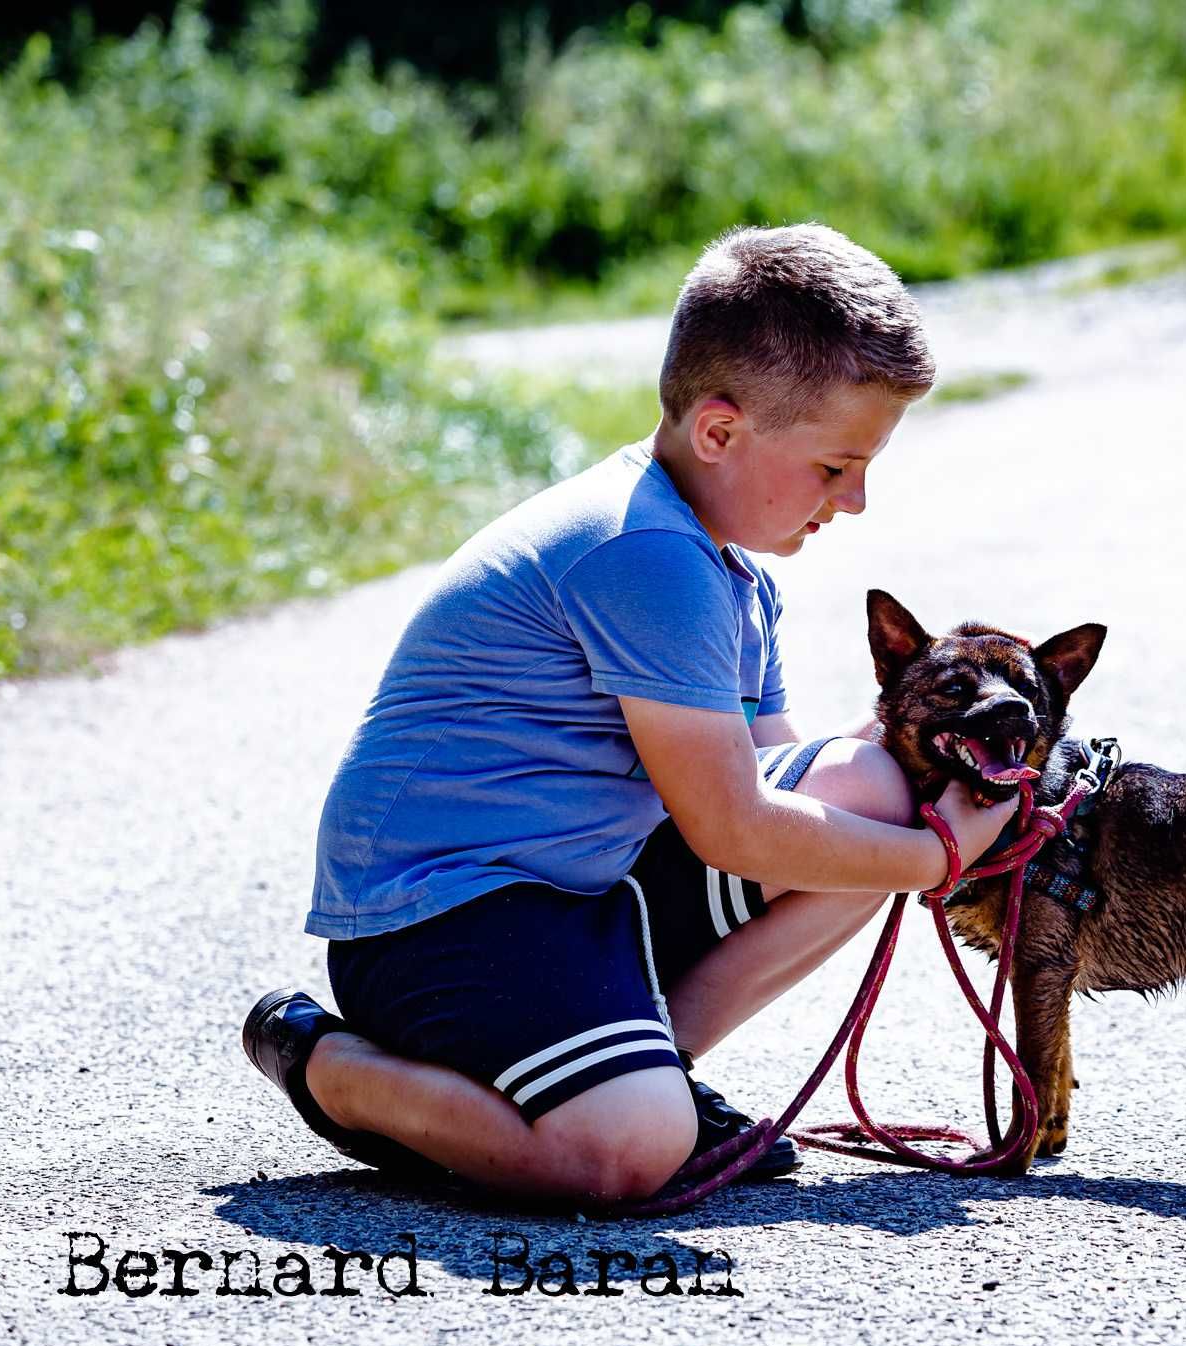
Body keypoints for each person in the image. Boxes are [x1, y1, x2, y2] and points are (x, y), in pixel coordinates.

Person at [242, 224, 1017, 1205]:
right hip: (440, 916)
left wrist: (927, 758)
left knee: (867, 793)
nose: (855, 500)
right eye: (833, 467)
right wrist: (938, 858)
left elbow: (784, 797)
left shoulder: (726, 563)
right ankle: (339, 1071)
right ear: (719, 432)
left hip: (576, 888)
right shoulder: (646, 554)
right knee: (624, 1157)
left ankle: (649, 1067)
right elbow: (733, 828)